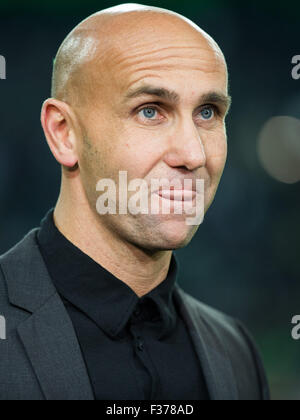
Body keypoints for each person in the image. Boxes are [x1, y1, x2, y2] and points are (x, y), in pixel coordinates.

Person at [0, 3, 270, 400]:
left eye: (208, 113)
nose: (194, 155)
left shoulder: (237, 352)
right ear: (63, 133)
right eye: (150, 111)